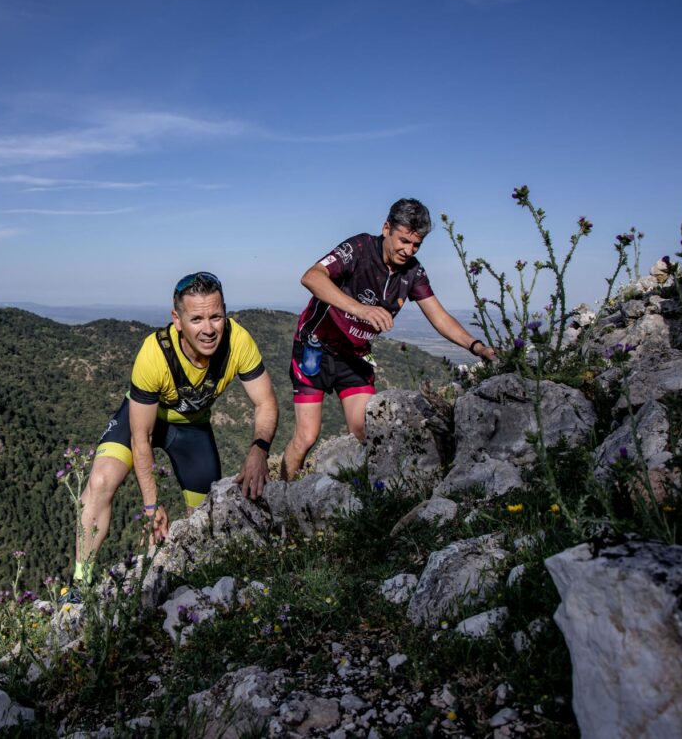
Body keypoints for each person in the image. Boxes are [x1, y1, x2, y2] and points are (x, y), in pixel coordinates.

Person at [74, 271, 278, 585]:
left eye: (216, 316)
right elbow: (141, 437)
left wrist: (259, 449)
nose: (209, 329)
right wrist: (152, 506)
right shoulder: (154, 354)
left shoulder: (238, 341)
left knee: (201, 519)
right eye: (196, 319)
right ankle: (80, 584)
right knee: (100, 481)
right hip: (145, 420)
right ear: (177, 319)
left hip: (192, 429)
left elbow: (265, 402)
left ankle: (184, 580)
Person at [281, 198, 498, 480]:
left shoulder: (413, 272)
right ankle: (282, 501)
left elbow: (439, 316)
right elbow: (312, 277)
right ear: (386, 228)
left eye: (416, 245)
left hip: (354, 357)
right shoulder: (359, 248)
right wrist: (361, 309)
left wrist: (476, 346)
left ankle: (376, 497)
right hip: (315, 349)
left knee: (366, 428)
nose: (408, 250)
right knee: (307, 436)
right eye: (404, 240)